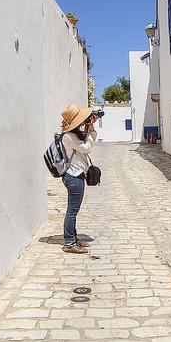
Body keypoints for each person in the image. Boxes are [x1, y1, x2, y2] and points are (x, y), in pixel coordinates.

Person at [59, 104, 99, 254]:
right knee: (72, 211)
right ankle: (69, 243)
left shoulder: (74, 134)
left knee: (74, 210)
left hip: (77, 175)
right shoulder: (69, 136)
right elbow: (87, 148)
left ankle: (73, 238)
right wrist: (90, 133)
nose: (84, 121)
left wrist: (91, 128)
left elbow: (86, 144)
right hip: (73, 176)